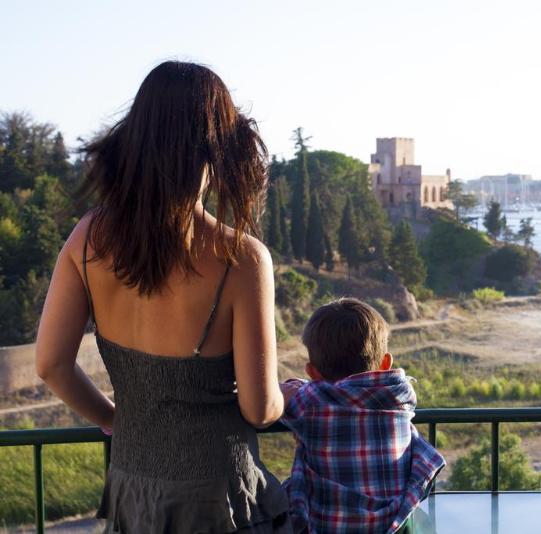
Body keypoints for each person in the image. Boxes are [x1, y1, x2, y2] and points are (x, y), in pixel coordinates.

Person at [35, 61, 290, 533]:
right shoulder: (242, 259)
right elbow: (259, 410)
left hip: (132, 489)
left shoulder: (87, 240)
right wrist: (284, 399)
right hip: (219, 498)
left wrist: (118, 420)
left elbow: (51, 364)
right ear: (215, 149)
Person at [280, 298, 445, 534]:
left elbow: (279, 397)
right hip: (394, 527)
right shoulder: (401, 396)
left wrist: (297, 385)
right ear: (386, 363)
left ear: (312, 372)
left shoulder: (311, 401)